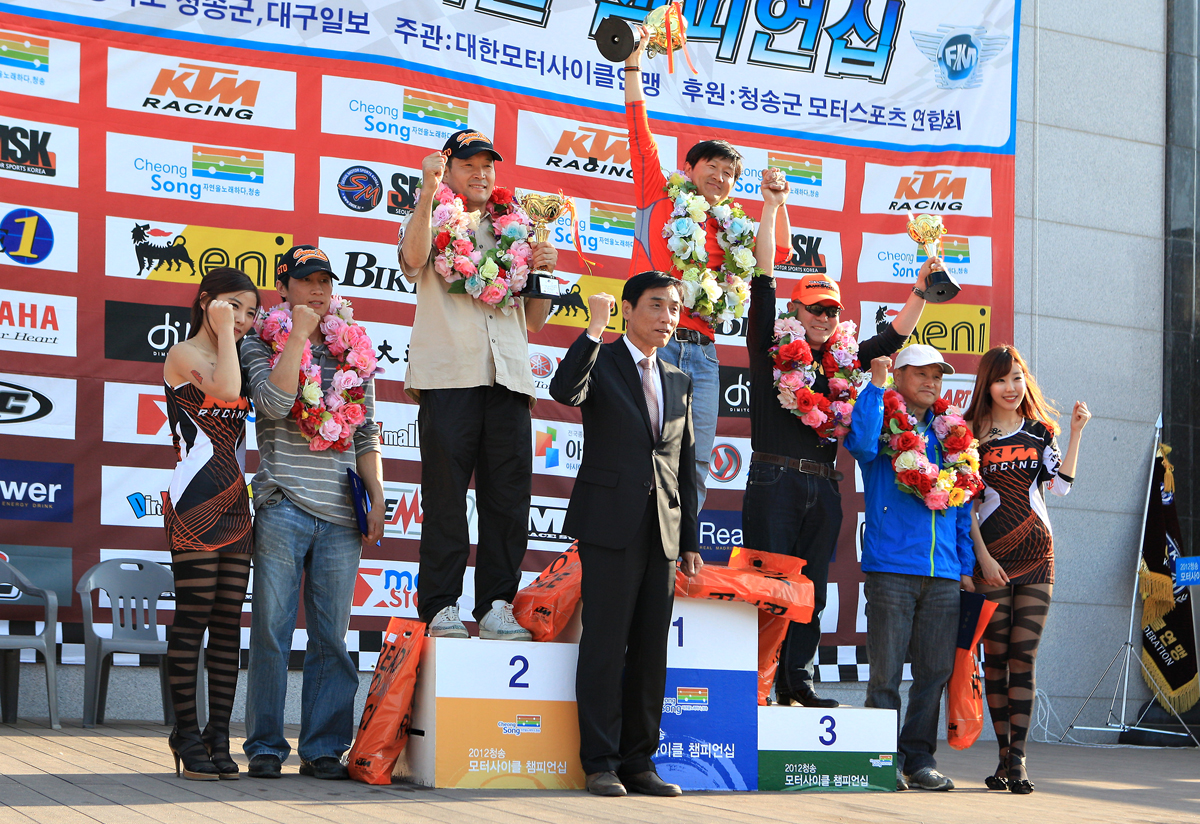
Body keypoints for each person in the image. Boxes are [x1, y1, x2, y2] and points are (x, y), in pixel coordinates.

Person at [745, 239, 943, 709]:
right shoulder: (770, 345)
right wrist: (771, 208)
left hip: (824, 483)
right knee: (770, 587)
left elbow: (893, 338)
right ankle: (755, 685)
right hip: (774, 479)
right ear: (795, 309)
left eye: (831, 310)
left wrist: (919, 289)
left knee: (812, 591)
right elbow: (762, 284)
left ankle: (797, 682)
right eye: (814, 308)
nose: (823, 317)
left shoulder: (846, 360)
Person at [399, 129, 557, 641]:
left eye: (488, 165)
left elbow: (535, 321)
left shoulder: (518, 227)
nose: (481, 173)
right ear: (448, 169)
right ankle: (441, 607)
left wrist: (543, 270)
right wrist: (427, 192)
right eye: (469, 164)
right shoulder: (432, 214)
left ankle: (496, 606)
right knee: (445, 499)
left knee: (508, 504)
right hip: (450, 377)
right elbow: (412, 262)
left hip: (509, 378)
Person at [550, 272, 703, 798]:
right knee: (605, 644)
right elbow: (564, 390)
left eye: (675, 308)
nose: (667, 317)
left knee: (650, 651)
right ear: (628, 309)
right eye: (656, 305)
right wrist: (593, 330)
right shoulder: (603, 359)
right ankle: (600, 762)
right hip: (609, 524)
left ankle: (640, 762)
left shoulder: (679, 379)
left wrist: (690, 540)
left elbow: (684, 464)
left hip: (663, 529)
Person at [624, 37, 789, 511]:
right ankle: (636, 546)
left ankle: (683, 546)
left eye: (728, 172)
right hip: (654, 343)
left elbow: (777, 252)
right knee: (641, 454)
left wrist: (775, 204)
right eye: (710, 166)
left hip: (705, 354)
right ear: (689, 169)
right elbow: (639, 134)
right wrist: (633, 66)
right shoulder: (658, 195)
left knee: (694, 463)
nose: (719, 176)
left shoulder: (733, 228)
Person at [241, 244, 385, 780]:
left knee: (331, 638)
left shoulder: (355, 346)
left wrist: (376, 493)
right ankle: (264, 746)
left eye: (326, 280)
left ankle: (324, 748)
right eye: (307, 281)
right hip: (283, 503)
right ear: (283, 289)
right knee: (271, 632)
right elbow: (273, 404)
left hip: (342, 513)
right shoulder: (259, 341)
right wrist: (298, 335)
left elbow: (366, 430)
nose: (319, 289)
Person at [845, 345, 979, 792]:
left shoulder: (951, 435)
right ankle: (882, 759)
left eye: (937, 376)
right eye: (920, 373)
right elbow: (859, 444)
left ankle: (919, 760)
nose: (931, 382)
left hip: (944, 574)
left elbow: (960, 508)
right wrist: (874, 386)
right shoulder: (884, 425)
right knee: (884, 673)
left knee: (934, 673)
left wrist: (963, 566)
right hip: (892, 569)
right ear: (899, 376)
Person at [963, 345, 1090, 795]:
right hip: (991, 558)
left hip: (1038, 554)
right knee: (995, 658)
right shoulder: (968, 435)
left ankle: (1017, 759)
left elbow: (1061, 487)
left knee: (1023, 656)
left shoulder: (1040, 432)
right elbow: (964, 505)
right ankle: (1003, 755)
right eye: (1001, 380)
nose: (1011, 387)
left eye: (1017, 377)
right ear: (987, 385)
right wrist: (982, 558)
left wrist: (1075, 434)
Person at [161, 268, 259, 780]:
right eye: (233, 306)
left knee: (226, 625)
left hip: (237, 505)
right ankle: (185, 732)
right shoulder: (183, 354)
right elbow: (224, 392)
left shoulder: (240, 356)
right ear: (205, 302)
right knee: (193, 617)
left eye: (251, 312)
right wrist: (223, 332)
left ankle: (217, 737)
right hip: (194, 502)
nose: (242, 319)